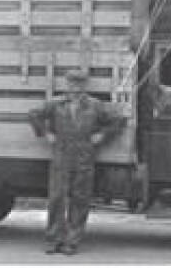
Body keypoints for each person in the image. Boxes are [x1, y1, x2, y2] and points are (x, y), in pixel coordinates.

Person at [28, 69, 126, 255]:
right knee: (57, 199)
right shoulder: (56, 104)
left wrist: (102, 135)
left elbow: (118, 119)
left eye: (80, 84)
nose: (76, 88)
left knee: (80, 200)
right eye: (72, 84)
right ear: (66, 85)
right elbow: (33, 115)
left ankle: (72, 241)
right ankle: (53, 239)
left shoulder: (95, 106)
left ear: (85, 86)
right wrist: (45, 133)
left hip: (84, 158)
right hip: (61, 156)